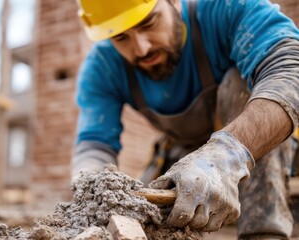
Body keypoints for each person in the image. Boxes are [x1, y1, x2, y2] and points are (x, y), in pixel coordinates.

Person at [71, 0, 299, 239]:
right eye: (121, 38)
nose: (141, 49)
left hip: (255, 140)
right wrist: (90, 186)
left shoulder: (227, 9)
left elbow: (290, 70)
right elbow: (95, 143)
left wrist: (225, 157)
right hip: (185, 151)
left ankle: (263, 233)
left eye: (149, 23)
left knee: (241, 83)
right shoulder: (102, 66)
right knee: (142, 215)